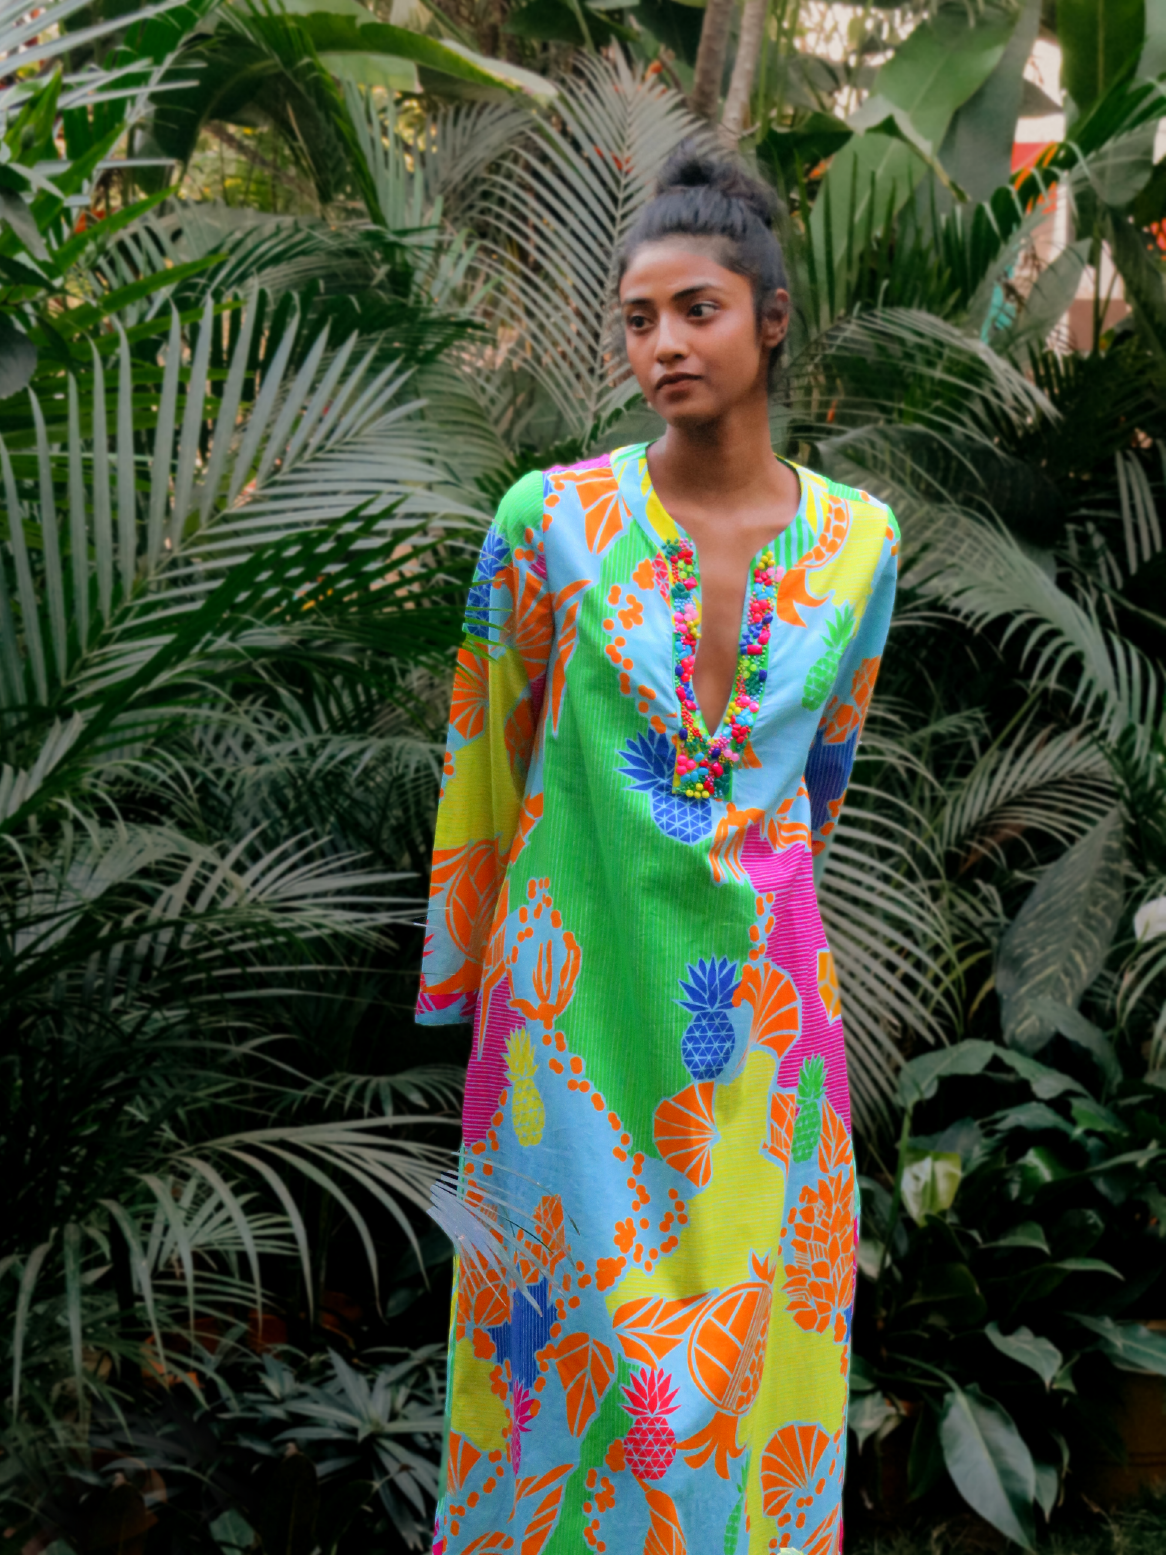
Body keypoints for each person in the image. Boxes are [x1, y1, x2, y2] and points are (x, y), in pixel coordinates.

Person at [416, 145, 898, 1556]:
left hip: (761, 1023)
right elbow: (488, 751)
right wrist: (467, 977)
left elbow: (821, 774)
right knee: (563, 1362)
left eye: (697, 310)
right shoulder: (548, 523)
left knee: (753, 1363)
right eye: (638, 319)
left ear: (771, 319)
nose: (663, 344)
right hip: (572, 1008)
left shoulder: (861, 543)